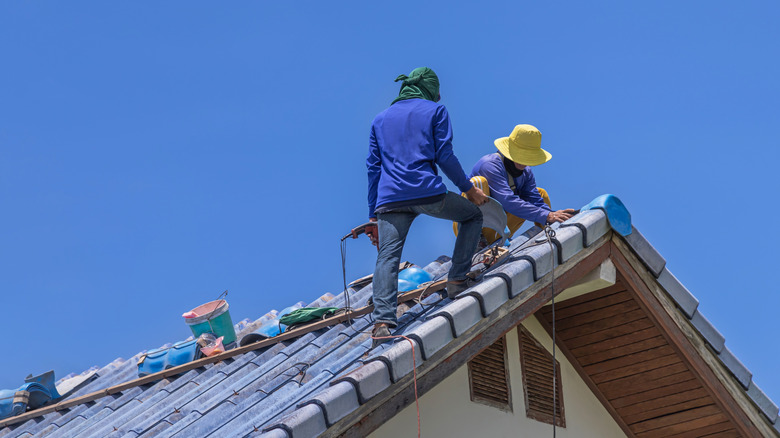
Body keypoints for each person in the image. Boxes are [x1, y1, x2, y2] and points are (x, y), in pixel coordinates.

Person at [366, 67, 488, 347]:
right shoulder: (436, 111)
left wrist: (372, 215)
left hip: (389, 201)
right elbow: (444, 155)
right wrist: (469, 190)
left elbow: (373, 168)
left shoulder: (379, 120)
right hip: (425, 192)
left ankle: (383, 322)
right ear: (431, 90)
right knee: (472, 215)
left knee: (387, 258)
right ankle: (457, 281)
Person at [467, 124, 576, 243]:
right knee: (478, 182)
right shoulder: (489, 165)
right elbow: (507, 200)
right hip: (473, 227)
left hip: (499, 228)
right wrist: (546, 216)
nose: (524, 162)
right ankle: (475, 241)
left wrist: (553, 215)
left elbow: (536, 201)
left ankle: (547, 235)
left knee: (541, 194)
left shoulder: (526, 173)